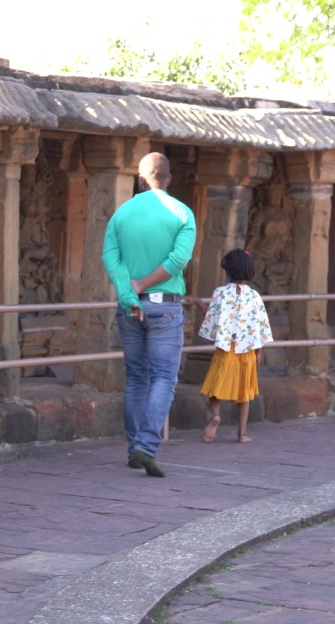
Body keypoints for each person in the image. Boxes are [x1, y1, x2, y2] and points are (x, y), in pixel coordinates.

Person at [102, 152, 196, 478]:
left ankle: (134, 449)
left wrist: (130, 295)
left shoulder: (121, 214)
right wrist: (143, 284)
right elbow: (179, 259)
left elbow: (110, 259)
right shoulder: (182, 213)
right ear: (168, 179)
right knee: (163, 379)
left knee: (137, 378)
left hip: (130, 307)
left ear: (141, 180)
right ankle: (146, 445)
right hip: (165, 305)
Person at [197, 249, 273, 444]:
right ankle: (242, 433)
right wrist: (259, 350)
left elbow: (212, 319)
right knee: (244, 394)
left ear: (227, 271)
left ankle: (215, 414)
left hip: (225, 350)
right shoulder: (255, 296)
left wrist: (198, 304)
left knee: (216, 389)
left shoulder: (220, 293)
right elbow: (260, 325)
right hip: (247, 351)